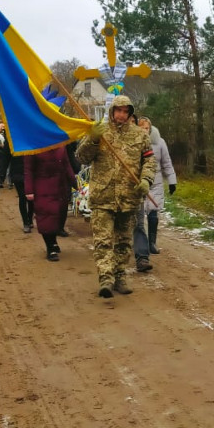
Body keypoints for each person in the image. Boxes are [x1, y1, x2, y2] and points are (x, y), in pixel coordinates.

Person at [76, 94, 156, 297]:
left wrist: (146, 180)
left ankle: (120, 276)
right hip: (103, 197)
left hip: (129, 198)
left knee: (123, 242)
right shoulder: (100, 133)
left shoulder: (140, 135)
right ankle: (106, 278)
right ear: (112, 111)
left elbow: (149, 161)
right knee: (103, 241)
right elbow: (81, 157)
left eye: (125, 111)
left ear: (130, 114)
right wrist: (93, 139)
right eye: (118, 111)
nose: (121, 115)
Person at [135, 116, 177, 261]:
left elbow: (166, 162)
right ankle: (139, 244)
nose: (144, 131)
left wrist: (172, 181)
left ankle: (152, 242)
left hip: (156, 181)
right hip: (138, 182)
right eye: (141, 128)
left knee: (153, 211)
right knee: (138, 216)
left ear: (150, 129)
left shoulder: (159, 143)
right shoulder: (133, 142)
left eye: (146, 128)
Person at [24, 147, 77, 260]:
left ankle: (53, 241)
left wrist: (74, 182)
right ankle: (50, 247)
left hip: (60, 186)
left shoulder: (60, 146)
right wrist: (29, 190)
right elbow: (28, 170)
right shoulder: (33, 147)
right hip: (42, 187)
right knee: (46, 217)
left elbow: (67, 165)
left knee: (58, 215)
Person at [9, 151, 34, 232]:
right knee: (22, 197)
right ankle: (26, 222)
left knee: (31, 199)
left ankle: (29, 219)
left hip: (30, 174)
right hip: (18, 174)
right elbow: (5, 157)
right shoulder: (13, 144)